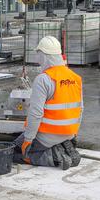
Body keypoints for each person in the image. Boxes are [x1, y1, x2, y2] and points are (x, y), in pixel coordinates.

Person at [13, 36, 83, 170]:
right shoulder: (75, 78)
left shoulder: (44, 79)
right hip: (68, 133)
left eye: (39, 55)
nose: (38, 59)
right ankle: (62, 145)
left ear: (44, 56)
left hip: (46, 136)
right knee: (20, 144)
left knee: (16, 152)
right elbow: (80, 109)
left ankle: (55, 156)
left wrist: (28, 139)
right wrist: (72, 134)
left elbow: (36, 114)